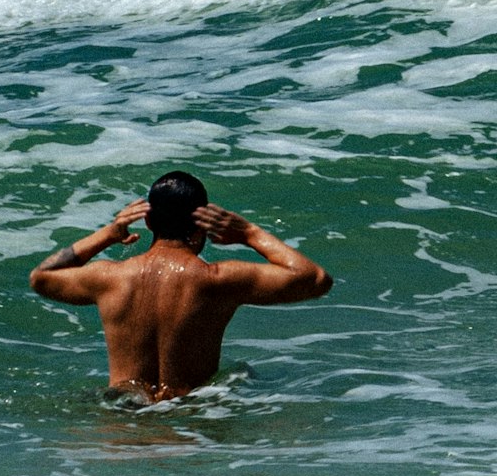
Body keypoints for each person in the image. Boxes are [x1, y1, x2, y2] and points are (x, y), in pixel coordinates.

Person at [29, 170, 332, 405]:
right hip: (192, 415)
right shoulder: (218, 280)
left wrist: (109, 233)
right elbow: (315, 279)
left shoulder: (110, 278)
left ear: (147, 222)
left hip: (122, 414)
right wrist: (248, 233)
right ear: (202, 225)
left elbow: (42, 277)